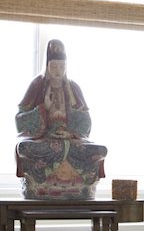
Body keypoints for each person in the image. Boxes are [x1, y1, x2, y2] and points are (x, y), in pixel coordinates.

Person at [15, 39, 107, 199]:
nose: (58, 71)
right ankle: (39, 187)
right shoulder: (37, 85)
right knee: (24, 148)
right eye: (54, 66)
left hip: (71, 140)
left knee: (99, 150)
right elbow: (20, 120)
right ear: (47, 65)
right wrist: (44, 108)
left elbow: (86, 122)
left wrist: (72, 122)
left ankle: (81, 189)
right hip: (45, 141)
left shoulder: (74, 88)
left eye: (62, 67)